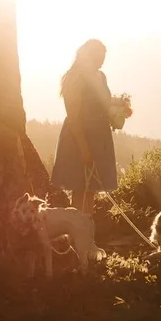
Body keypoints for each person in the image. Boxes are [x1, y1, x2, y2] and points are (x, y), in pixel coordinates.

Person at [52, 39, 119, 214]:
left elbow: (101, 102)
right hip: (79, 137)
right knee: (80, 188)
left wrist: (118, 109)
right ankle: (77, 234)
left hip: (99, 136)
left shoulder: (100, 76)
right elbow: (73, 115)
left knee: (91, 188)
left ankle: (87, 234)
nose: (101, 62)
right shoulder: (75, 78)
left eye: (103, 58)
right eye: (98, 57)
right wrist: (84, 147)